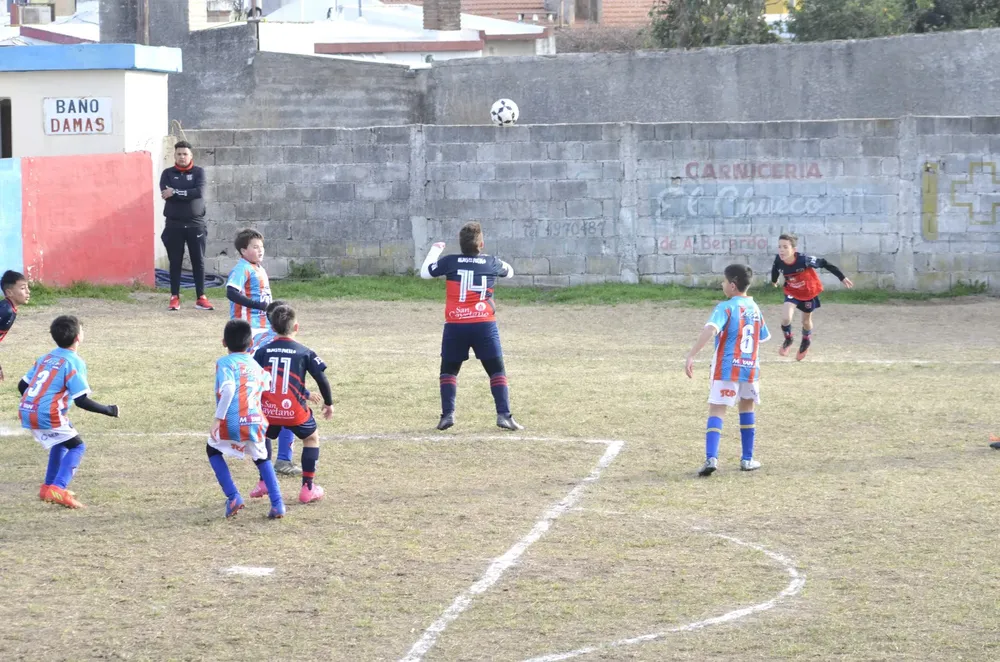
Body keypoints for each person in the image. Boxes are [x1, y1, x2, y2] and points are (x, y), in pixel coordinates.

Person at [419, 222, 523, 431]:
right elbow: (510, 272)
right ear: (481, 244)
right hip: (484, 325)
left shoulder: (450, 261)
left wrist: (435, 250)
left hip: (456, 325)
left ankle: (447, 415)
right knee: (496, 370)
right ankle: (504, 415)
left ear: (460, 244)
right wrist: (490, 260)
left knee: (449, 370)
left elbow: (425, 273)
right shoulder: (491, 262)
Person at [18, 315, 120, 508]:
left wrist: (36, 402)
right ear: (78, 337)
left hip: (26, 410)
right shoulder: (74, 362)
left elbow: (22, 385)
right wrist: (109, 410)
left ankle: (47, 488)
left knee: (62, 441)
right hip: (47, 414)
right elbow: (81, 400)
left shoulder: (46, 358)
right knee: (77, 447)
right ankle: (58, 488)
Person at [684, 264, 769, 477]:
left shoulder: (726, 307)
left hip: (726, 367)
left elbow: (710, 329)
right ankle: (747, 459)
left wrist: (692, 353)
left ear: (732, 285)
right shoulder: (755, 308)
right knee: (747, 408)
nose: (722, 284)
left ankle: (711, 458)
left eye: (724, 281)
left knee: (717, 410)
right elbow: (761, 337)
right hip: (750, 368)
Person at [252, 305, 333, 504]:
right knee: (311, 438)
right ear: (296, 327)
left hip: (269, 410)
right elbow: (321, 379)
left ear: (272, 328)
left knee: (264, 437)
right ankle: (308, 488)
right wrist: (328, 403)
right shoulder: (305, 352)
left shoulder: (262, 352)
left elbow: (253, 379)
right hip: (295, 411)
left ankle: (264, 481)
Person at [206, 320, 285, 519]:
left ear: (224, 342)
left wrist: (217, 419)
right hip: (255, 421)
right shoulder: (256, 365)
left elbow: (228, 389)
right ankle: (278, 504)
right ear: (251, 343)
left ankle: (233, 496)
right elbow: (267, 385)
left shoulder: (224, 363)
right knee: (262, 458)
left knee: (212, 449)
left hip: (232, 421)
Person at [249, 299, 312, 476]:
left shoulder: (257, 335)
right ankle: (283, 460)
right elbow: (284, 377)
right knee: (287, 411)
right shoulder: (280, 342)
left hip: (252, 388)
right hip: (271, 388)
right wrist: (305, 393)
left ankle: (265, 469)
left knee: (266, 426)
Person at [770, 233, 854, 361]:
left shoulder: (804, 260)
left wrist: (841, 277)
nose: (781, 250)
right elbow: (775, 268)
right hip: (792, 291)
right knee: (786, 318)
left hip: (808, 292)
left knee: (806, 321)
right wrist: (774, 280)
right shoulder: (778, 259)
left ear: (794, 249)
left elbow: (825, 263)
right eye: (780, 246)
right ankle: (788, 339)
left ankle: (806, 340)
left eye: (785, 247)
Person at [160, 140, 213, 312]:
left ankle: (201, 298)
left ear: (191, 156)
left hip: (195, 224)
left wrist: (175, 192)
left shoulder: (199, 172)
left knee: (198, 261)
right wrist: (186, 193)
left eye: (185, 154)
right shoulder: (167, 173)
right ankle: (174, 297)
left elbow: (199, 192)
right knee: (175, 261)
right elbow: (165, 193)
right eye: (179, 154)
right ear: (174, 156)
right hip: (174, 224)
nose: (182, 157)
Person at [226, 228, 271, 333]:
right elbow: (231, 293)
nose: (260, 250)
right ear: (243, 251)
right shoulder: (242, 268)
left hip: (263, 324)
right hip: (248, 326)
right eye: (255, 247)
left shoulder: (259, 268)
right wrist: (258, 305)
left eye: (261, 246)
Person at [0, 270, 31, 382]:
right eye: (23, 288)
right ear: (9, 292)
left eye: (27, 287)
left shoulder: (9, 308)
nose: (28, 291)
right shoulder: (6, 310)